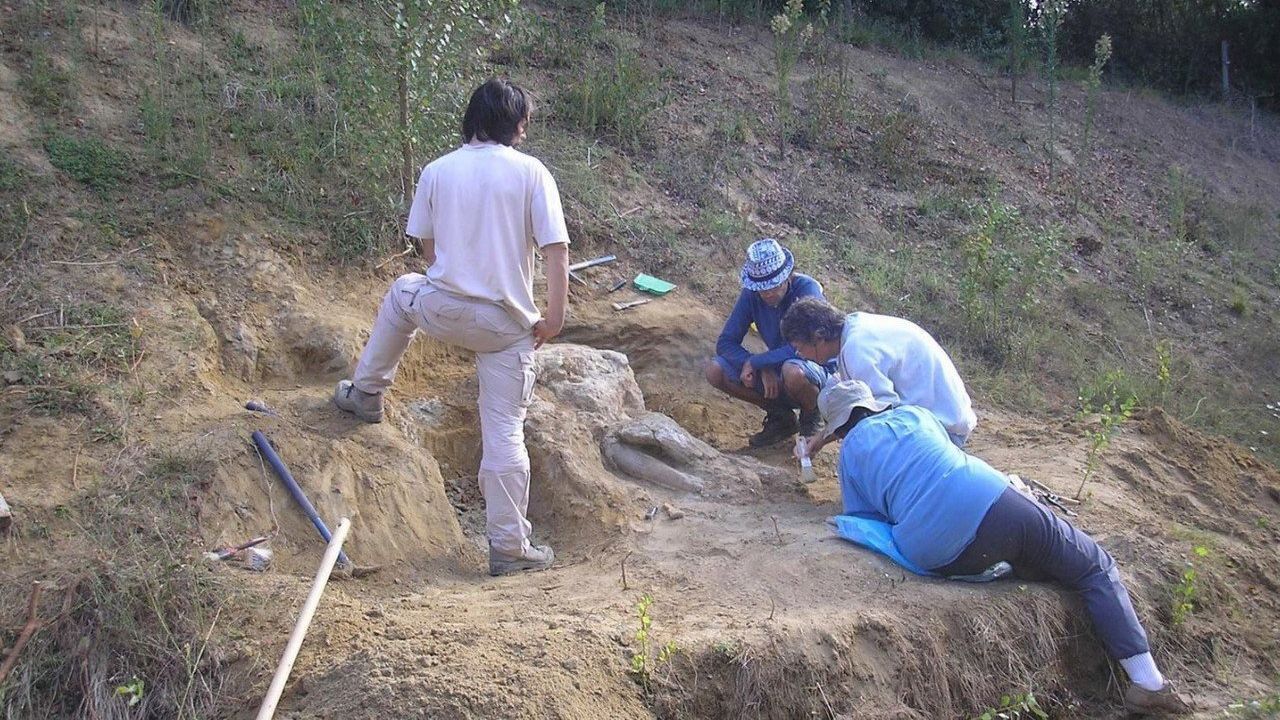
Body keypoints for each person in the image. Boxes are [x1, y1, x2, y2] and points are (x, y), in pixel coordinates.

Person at [814, 379, 1193, 716]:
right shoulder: (914, 414)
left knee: (1018, 552)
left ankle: (998, 568)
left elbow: (863, 517)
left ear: (840, 429)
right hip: (992, 503)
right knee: (1095, 567)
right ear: (874, 404)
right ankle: (1147, 682)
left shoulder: (849, 455)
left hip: (932, 551)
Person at [332, 78, 569, 577]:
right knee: (504, 432)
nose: (525, 131)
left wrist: (454, 286)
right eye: (523, 122)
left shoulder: (437, 170)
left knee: (402, 291)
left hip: (442, 309)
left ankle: (367, 393)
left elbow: (429, 250)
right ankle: (509, 548)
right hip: (507, 326)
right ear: (512, 122)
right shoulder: (531, 173)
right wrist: (553, 319)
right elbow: (555, 251)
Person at [780, 296, 976, 453]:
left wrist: (829, 438)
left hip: (943, 434)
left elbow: (880, 416)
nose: (799, 354)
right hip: (946, 420)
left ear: (819, 337)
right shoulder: (855, 328)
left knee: (865, 446)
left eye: (799, 348)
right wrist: (821, 438)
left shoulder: (857, 350)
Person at [705, 238, 831, 447]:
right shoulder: (751, 295)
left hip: (815, 368)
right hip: (778, 367)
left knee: (793, 371)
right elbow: (725, 342)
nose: (769, 293)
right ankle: (781, 417)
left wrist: (759, 362)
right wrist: (759, 365)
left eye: (775, 285)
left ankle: (811, 417)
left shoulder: (807, 290)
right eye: (762, 289)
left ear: (788, 276)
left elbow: (806, 347)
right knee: (715, 370)